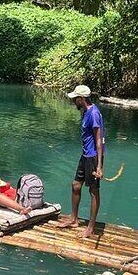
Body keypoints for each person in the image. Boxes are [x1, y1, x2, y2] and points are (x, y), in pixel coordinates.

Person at [58, 85, 105, 238]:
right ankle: (74, 219)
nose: (73, 102)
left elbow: (99, 140)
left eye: (75, 99)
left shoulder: (94, 114)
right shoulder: (85, 111)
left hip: (93, 157)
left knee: (93, 191)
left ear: (81, 99)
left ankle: (90, 228)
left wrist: (99, 166)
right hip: (85, 155)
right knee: (76, 185)